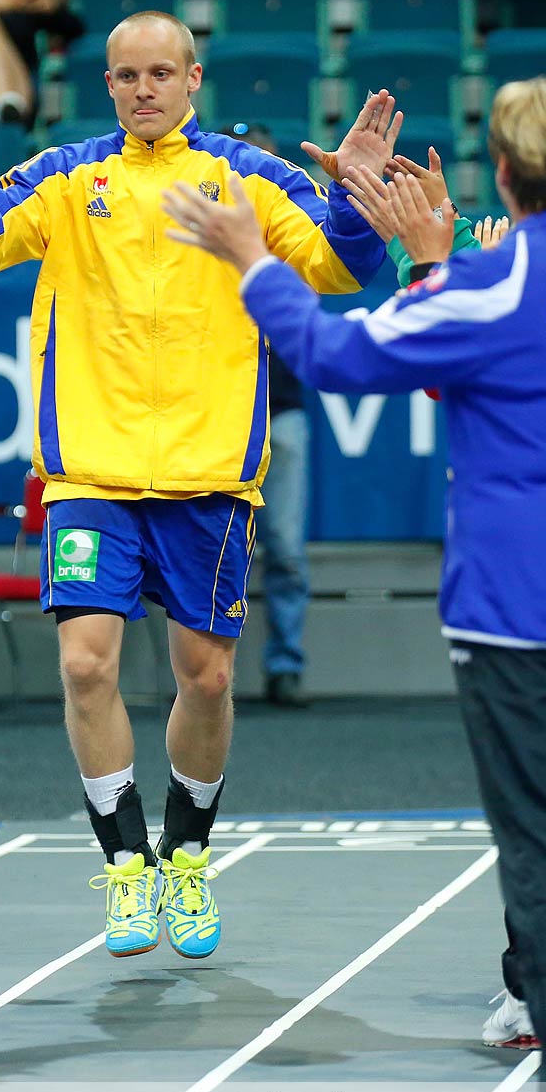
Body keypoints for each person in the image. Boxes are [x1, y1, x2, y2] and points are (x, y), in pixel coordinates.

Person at [167, 72, 546, 1092]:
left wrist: (253, 261)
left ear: (505, 175)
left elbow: (330, 355)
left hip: (520, 612)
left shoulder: (493, 288)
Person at [0, 10, 392, 959]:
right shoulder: (67, 174)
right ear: (108, 84)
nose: (145, 89)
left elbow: (338, 264)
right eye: (127, 76)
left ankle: (186, 857)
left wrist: (358, 199)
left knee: (206, 679)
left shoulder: (251, 177)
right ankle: (126, 868)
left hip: (210, 479)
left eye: (163, 72)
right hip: (91, 474)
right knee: (85, 665)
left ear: (194, 78)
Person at [220, 122, 313, 709]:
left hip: (282, 411)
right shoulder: (207, 241)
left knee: (284, 545)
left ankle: (285, 665)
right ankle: (211, 667)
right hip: (222, 413)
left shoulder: (295, 237)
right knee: (221, 542)